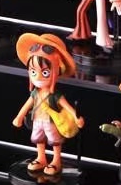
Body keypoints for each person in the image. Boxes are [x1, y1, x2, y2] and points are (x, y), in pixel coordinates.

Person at [12, 33, 84, 177]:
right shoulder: (35, 93)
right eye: (33, 71)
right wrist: (19, 117)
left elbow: (67, 107)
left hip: (52, 122)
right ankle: (41, 158)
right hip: (37, 121)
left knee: (55, 141)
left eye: (45, 72)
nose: (38, 76)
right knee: (38, 139)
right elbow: (27, 105)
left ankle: (56, 160)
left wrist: (76, 118)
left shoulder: (54, 95)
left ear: (56, 71)